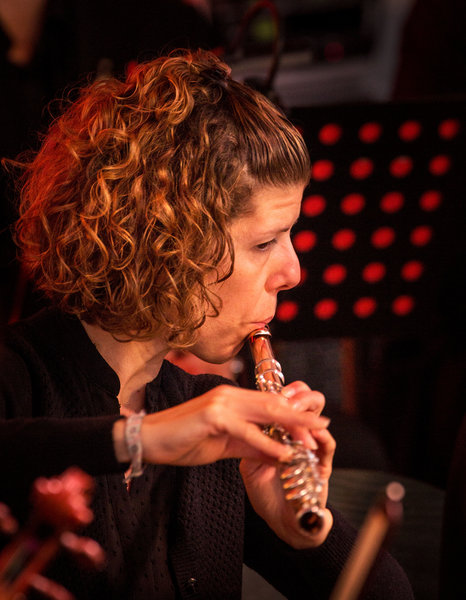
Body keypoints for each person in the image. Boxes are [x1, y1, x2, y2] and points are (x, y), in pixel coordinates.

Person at [0, 49, 413, 599]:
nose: (293, 272)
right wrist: (145, 439)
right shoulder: (19, 378)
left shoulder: (211, 422)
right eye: (265, 243)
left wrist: (307, 534)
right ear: (166, 242)